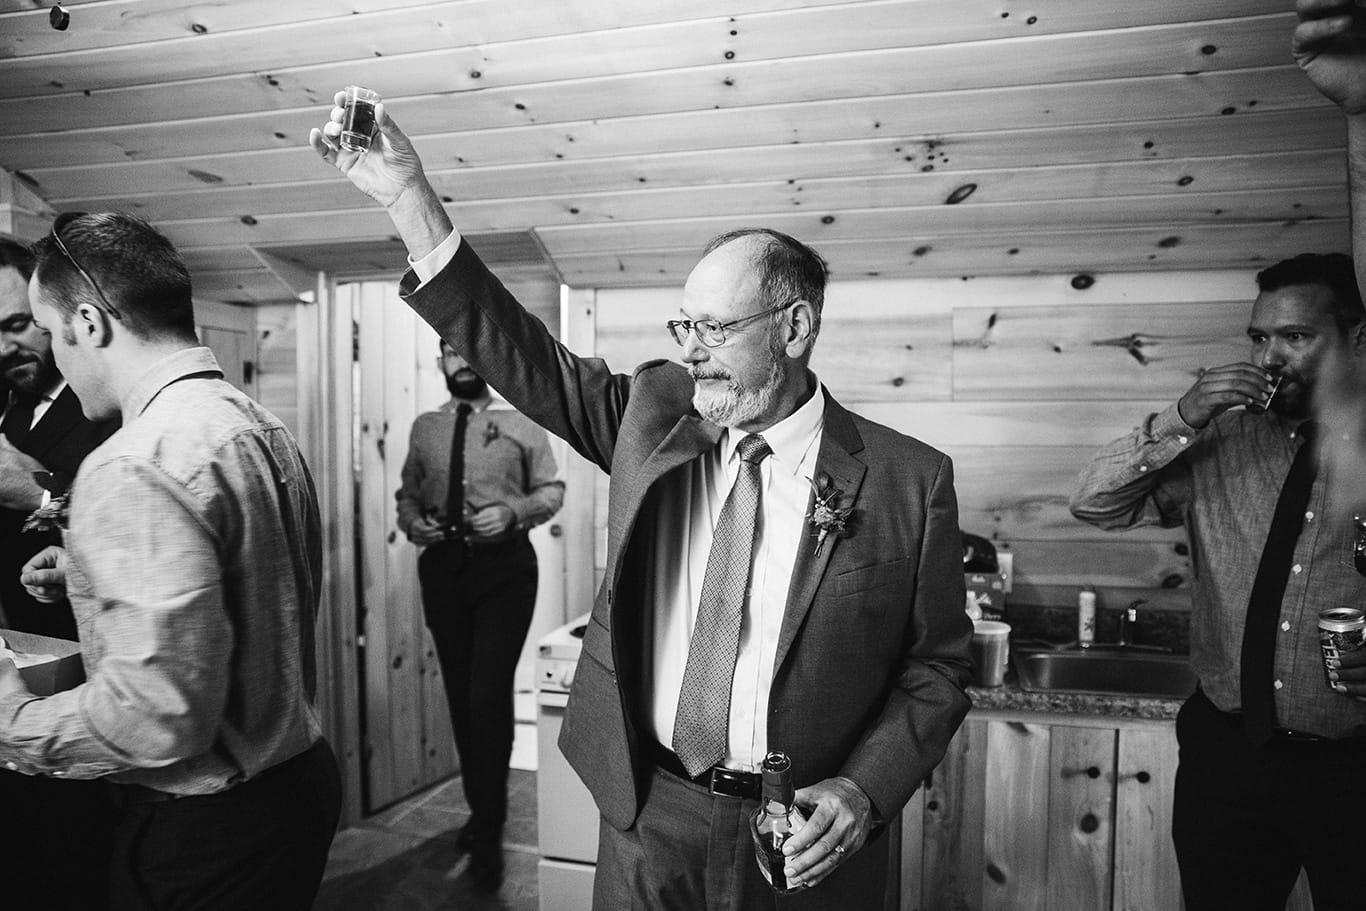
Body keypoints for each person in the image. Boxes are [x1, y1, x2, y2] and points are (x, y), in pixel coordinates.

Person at [312, 101, 971, 910]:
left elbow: (937, 667)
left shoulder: (912, 479)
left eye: (715, 327)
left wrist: (862, 792)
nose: (691, 349)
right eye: (683, 322)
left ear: (795, 327)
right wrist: (409, 198)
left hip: (802, 840)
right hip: (647, 816)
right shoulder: (653, 421)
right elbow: (524, 355)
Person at [0, 212, 341, 910]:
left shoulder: (132, 462)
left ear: (90, 322)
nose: (57, 358)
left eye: (51, 331)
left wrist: (14, 719)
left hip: (210, 829)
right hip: (294, 783)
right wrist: (92, 572)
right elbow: (250, 576)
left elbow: (155, 720)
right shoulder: (254, 421)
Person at [1069, 252, 1366, 905]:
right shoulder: (1221, 440)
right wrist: (1179, 417)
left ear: (1356, 338)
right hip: (1228, 753)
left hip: (1351, 761)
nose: (1269, 358)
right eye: (1259, 337)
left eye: (1295, 336)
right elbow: (1095, 502)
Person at [396, 339, 563, 890]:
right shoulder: (425, 427)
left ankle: (489, 831)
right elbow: (407, 494)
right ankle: (480, 811)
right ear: (439, 361)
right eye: (450, 353)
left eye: (469, 353)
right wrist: (413, 521)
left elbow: (551, 489)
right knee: (462, 702)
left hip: (506, 573)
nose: (461, 363)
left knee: (487, 696)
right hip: (442, 572)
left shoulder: (523, 423)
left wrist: (513, 512)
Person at [0, 234, 119, 911]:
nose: (4, 347)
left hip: (91, 696)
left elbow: (132, 515)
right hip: (19, 674)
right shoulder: (8, 405)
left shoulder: (108, 403)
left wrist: (38, 494)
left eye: (19, 325)